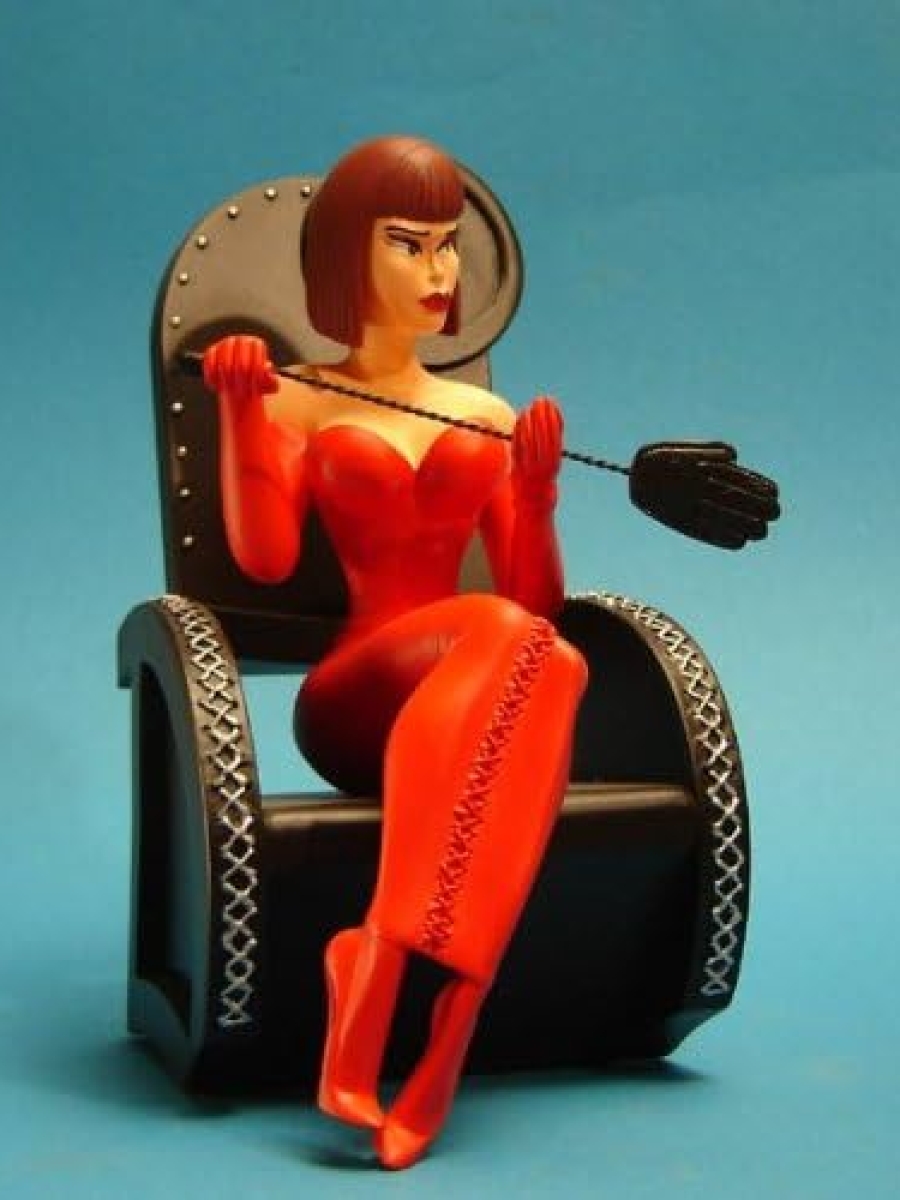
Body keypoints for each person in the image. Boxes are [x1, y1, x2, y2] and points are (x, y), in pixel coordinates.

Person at [202, 134, 588, 1169]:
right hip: (354, 697)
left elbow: (535, 606)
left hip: (471, 692)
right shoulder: (295, 396)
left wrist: (537, 497)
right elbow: (264, 558)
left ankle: (431, 1015)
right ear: (346, 254)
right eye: (409, 244)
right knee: (525, 650)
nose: (438, 270)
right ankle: (400, 981)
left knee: (555, 663)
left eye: (448, 245)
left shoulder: (485, 414)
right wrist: (240, 413)